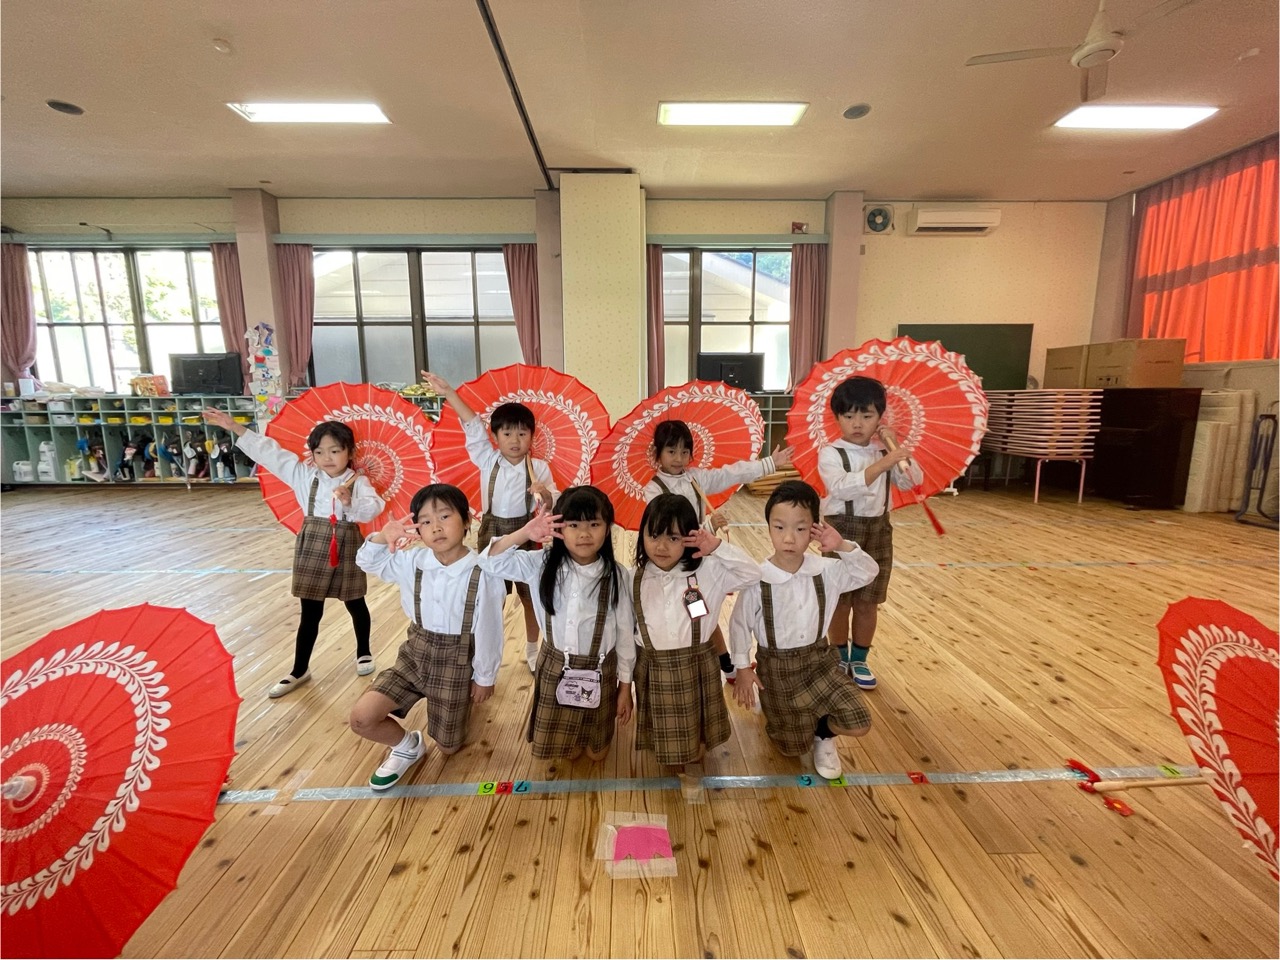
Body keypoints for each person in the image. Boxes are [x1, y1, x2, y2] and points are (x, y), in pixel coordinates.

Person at [204, 406, 384, 698]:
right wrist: (235, 427)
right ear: (312, 455)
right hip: (312, 543)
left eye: (335, 451)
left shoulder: (359, 481)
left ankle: (363, 651)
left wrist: (349, 502)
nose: (327, 458)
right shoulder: (303, 475)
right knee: (310, 611)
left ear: (349, 452)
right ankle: (300, 669)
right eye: (319, 452)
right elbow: (269, 453)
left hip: (347, 543)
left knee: (355, 601)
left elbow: (374, 508)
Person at [349, 483, 504, 790]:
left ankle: (463, 704)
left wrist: (484, 677)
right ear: (417, 529)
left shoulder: (483, 571)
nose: (436, 527)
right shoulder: (412, 562)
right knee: (361, 718)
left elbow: (490, 629)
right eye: (426, 521)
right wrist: (382, 536)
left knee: (448, 747)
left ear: (467, 520)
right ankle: (408, 746)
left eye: (445, 516)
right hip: (414, 655)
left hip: (457, 661)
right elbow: (366, 561)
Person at [729, 479, 879, 780]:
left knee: (859, 721)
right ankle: (774, 704)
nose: (789, 538)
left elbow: (868, 572)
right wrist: (743, 669)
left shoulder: (827, 571)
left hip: (819, 664)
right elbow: (739, 625)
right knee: (790, 748)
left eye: (800, 528)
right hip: (777, 670)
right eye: (779, 527)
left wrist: (842, 546)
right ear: (768, 527)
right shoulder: (759, 579)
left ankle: (824, 733)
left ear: (814, 529)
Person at [483, 486, 635, 761]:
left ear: (608, 529)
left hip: (602, 670)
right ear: (558, 527)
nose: (584, 533)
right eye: (573, 525)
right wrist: (524, 533)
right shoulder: (540, 564)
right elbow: (490, 562)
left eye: (594, 524)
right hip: (556, 667)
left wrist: (625, 688)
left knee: (596, 754)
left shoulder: (617, 576)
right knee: (568, 752)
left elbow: (625, 636)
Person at [423, 371, 557, 675]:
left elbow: (551, 503)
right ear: (495, 437)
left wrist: (545, 493)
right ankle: (482, 653)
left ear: (532, 436)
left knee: (529, 595)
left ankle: (533, 649)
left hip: (527, 534)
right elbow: (472, 425)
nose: (515, 440)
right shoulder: (487, 459)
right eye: (507, 434)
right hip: (492, 533)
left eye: (522, 434)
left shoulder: (539, 467)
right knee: (488, 596)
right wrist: (450, 393)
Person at [643, 419, 793, 683]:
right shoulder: (654, 489)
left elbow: (731, 474)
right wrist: (709, 526)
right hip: (671, 566)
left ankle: (727, 665)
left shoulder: (695, 478)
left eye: (684, 451)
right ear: (657, 453)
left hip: (699, 561)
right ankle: (698, 664)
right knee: (689, 615)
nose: (678, 458)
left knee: (702, 613)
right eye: (671, 451)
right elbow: (667, 529)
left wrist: (769, 463)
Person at [631, 493, 761, 771]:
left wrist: (717, 547)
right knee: (663, 743)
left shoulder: (709, 570)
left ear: (690, 538)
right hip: (653, 668)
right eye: (653, 535)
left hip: (697, 665)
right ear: (642, 535)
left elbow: (753, 574)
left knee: (697, 744)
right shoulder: (633, 577)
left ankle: (695, 753)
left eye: (673, 537)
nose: (661, 546)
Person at [817, 376, 921, 690]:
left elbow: (911, 480)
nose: (857, 423)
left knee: (868, 601)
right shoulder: (831, 453)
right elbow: (841, 487)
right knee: (840, 600)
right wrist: (884, 462)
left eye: (866, 415)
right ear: (837, 418)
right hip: (840, 530)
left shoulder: (884, 450)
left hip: (878, 530)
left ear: (879, 417)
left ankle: (860, 659)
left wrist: (896, 449)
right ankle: (839, 656)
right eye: (849, 416)